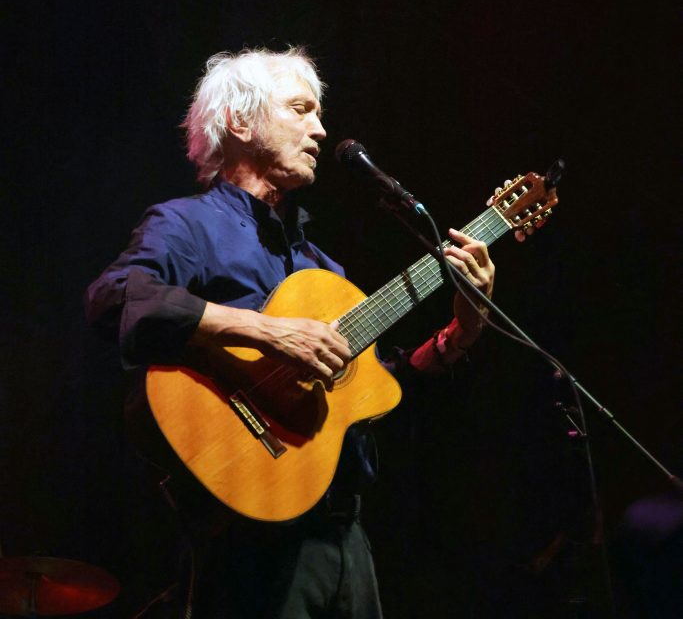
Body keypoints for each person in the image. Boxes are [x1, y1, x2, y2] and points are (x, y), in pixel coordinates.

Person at [85, 47, 495, 619]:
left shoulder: (323, 268)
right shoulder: (187, 225)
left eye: (319, 114)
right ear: (240, 121)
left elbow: (376, 389)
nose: (320, 130)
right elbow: (114, 298)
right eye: (301, 109)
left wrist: (463, 329)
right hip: (247, 540)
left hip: (345, 538)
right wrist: (265, 331)